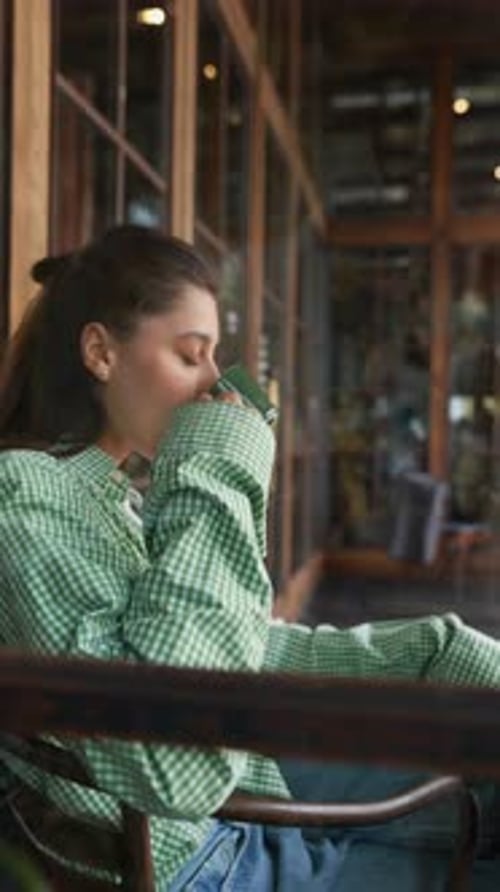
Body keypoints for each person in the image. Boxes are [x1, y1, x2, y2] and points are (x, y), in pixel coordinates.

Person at [0, 224, 499, 891]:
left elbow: (218, 645)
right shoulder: (25, 495)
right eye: (190, 355)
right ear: (100, 352)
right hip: (194, 859)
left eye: (214, 357)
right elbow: (171, 761)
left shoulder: (103, 495)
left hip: (216, 819)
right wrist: (217, 462)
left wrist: (428, 650)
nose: (214, 383)